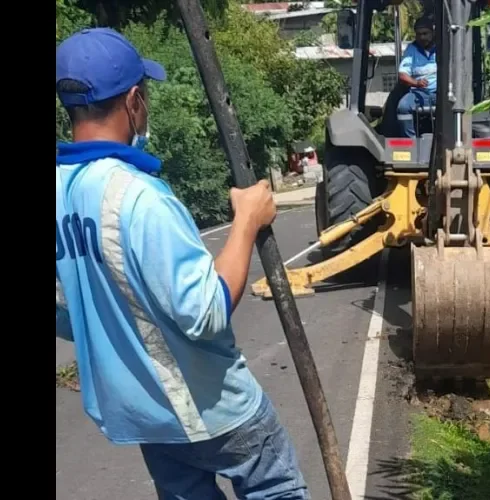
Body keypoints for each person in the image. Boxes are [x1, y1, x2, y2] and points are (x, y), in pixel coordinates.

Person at [55, 27, 310, 499]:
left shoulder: (59, 192)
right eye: (145, 95)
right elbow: (206, 313)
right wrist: (247, 221)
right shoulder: (137, 196)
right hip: (208, 405)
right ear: (133, 101)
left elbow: (67, 319)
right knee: (276, 488)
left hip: (140, 415)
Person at [396, 16, 437, 138]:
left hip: (443, 94)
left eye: (425, 33)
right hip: (420, 93)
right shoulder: (411, 50)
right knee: (403, 106)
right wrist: (416, 83)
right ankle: (411, 140)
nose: (422, 37)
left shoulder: (443, 47)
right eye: (419, 34)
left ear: (433, 32)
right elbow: (402, 75)